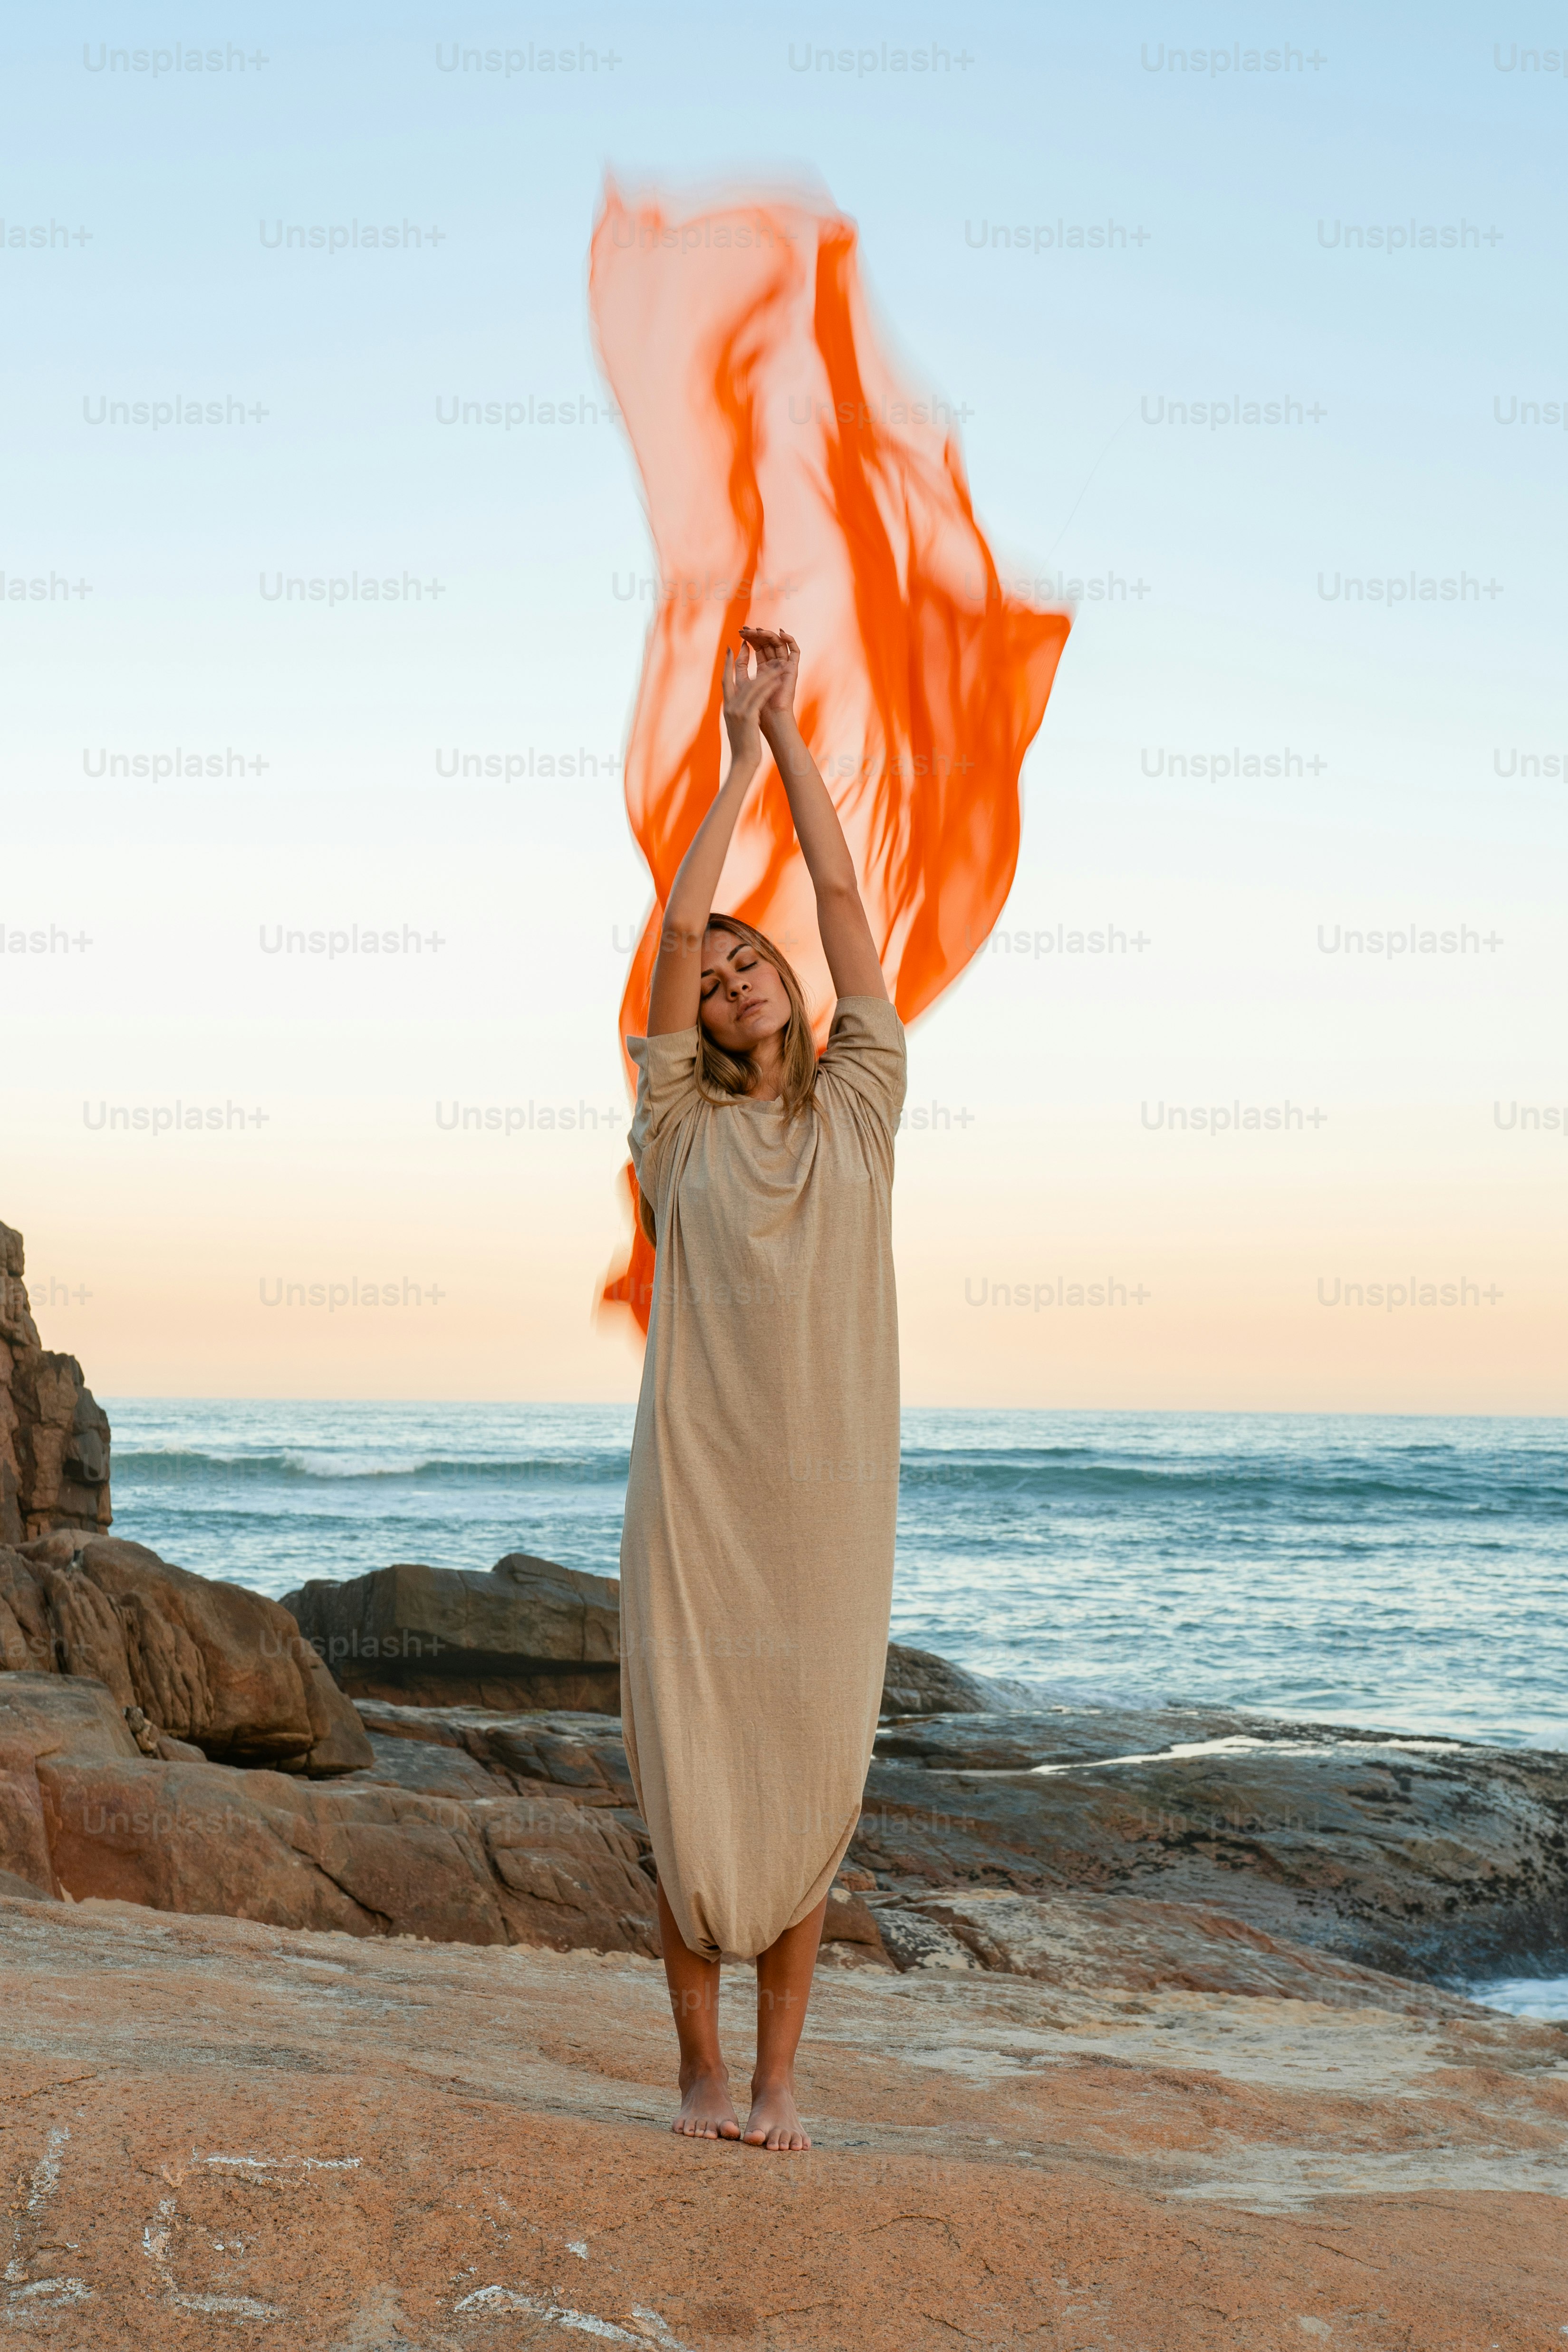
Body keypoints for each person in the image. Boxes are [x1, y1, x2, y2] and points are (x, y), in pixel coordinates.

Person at [620, 626, 906, 2152]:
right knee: (691, 1778)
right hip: (700, 1489)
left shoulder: (863, 1099)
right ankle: (697, 2070)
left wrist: (790, 736)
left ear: (789, 979)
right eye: (716, 970)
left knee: (803, 1778)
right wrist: (727, 764)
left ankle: (785, 2080)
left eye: (749, 957)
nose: (727, 976)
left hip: (831, 1502)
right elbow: (669, 933)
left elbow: (849, 897)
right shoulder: (672, 1122)